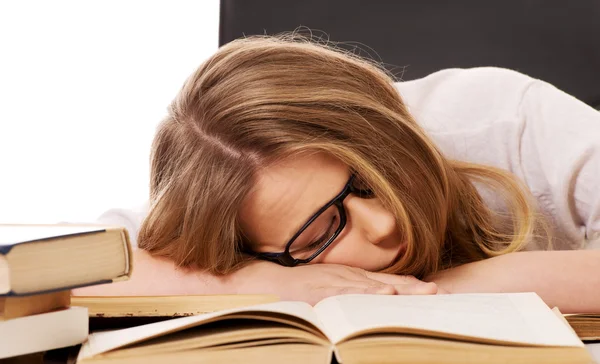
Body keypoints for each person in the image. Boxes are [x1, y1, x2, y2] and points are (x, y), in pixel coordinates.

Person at [75, 35, 600, 313]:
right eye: (322, 231)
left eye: (372, 177)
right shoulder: (230, 180)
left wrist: (467, 283)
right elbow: (55, 271)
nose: (383, 224)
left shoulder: (502, 116)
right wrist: (251, 282)